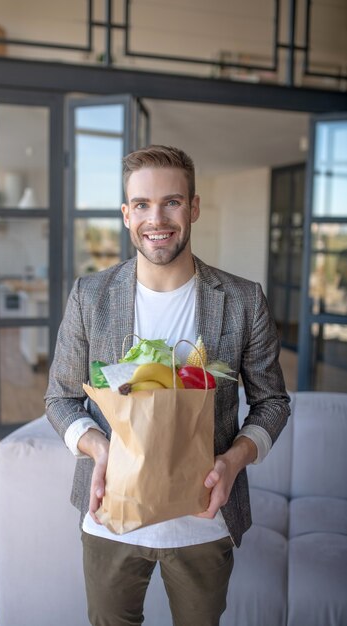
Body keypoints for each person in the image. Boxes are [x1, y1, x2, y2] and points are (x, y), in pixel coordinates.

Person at [45, 145, 290, 626]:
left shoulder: (242, 300)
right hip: (109, 516)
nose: (156, 218)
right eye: (141, 205)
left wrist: (234, 460)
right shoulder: (89, 297)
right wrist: (97, 449)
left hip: (204, 522)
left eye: (172, 202)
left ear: (194, 207)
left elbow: (272, 402)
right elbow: (61, 398)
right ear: (125, 214)